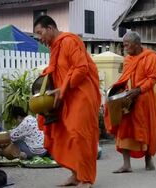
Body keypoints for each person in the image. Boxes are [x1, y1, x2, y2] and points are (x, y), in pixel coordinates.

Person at [34, 15, 101, 188]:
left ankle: (86, 179)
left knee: (80, 136)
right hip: (64, 97)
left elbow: (81, 68)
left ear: (50, 28)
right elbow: (57, 71)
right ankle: (75, 174)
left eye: (40, 33)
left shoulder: (70, 41)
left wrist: (62, 88)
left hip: (81, 95)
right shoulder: (55, 47)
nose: (39, 38)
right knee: (66, 136)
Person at [104, 31, 156, 173]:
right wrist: (116, 90)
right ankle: (126, 164)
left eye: (127, 45)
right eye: (124, 45)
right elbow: (124, 77)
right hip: (128, 99)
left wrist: (139, 90)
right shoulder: (128, 59)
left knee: (145, 128)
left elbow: (153, 78)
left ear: (137, 44)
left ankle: (148, 160)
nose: (125, 48)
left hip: (144, 98)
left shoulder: (150, 57)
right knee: (124, 129)